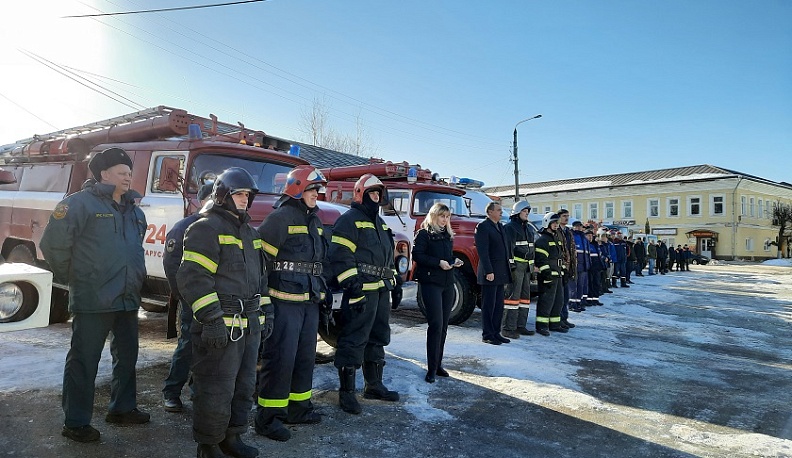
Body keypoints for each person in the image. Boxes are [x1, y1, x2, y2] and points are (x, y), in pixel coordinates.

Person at [40, 147, 150, 443]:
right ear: (104, 174)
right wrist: (75, 280)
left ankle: (122, 408)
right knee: (84, 360)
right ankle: (75, 422)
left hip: (127, 298)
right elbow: (53, 245)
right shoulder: (78, 204)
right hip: (94, 297)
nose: (129, 177)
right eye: (122, 172)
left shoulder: (135, 211)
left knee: (127, 357)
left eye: (130, 172)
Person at [176, 167, 273, 458]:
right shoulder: (205, 228)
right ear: (222, 196)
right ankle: (208, 445)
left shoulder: (250, 233)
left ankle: (232, 437)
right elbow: (193, 278)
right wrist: (212, 321)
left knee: (244, 386)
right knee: (215, 388)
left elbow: (261, 280)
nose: (244, 199)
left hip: (249, 326)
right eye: (238, 194)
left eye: (247, 195)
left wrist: (265, 316)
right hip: (221, 327)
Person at [254, 166, 329, 441]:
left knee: (305, 358)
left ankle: (298, 409)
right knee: (280, 360)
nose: (316, 194)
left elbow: (319, 261)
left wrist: (325, 290)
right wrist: (264, 302)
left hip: (309, 302)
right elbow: (260, 263)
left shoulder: (315, 221)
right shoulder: (280, 218)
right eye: (312, 189)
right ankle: (267, 418)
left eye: (317, 189)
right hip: (283, 303)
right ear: (297, 189)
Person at [329, 173, 399, 415]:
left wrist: (395, 281)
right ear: (361, 194)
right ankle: (346, 393)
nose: (377, 197)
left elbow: (387, 256)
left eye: (379, 193)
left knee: (378, 337)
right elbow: (339, 254)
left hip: (380, 292)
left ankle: (374, 385)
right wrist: (352, 285)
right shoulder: (348, 220)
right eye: (372, 193)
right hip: (359, 294)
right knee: (353, 339)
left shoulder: (381, 224)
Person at [162, 182, 214, 413]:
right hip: (192, 300)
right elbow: (172, 265)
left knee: (212, 349)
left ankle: (198, 392)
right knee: (188, 346)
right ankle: (171, 393)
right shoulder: (184, 227)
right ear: (201, 201)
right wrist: (185, 296)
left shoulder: (221, 227)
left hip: (216, 300)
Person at [412, 203, 461, 383]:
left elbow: (446, 257)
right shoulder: (424, 234)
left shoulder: (447, 235)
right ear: (434, 216)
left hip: (447, 283)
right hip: (431, 283)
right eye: (442, 216)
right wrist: (438, 262)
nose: (445, 220)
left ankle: (438, 364)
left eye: (447, 217)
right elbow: (417, 255)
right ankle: (431, 368)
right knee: (436, 325)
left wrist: (453, 261)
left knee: (444, 326)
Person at [474, 201, 512, 345]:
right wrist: (489, 270)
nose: (501, 212)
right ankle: (488, 334)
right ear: (490, 212)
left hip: (501, 272)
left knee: (498, 305)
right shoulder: (483, 227)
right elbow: (483, 251)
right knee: (489, 305)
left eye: (501, 210)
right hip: (490, 272)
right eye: (498, 210)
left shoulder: (500, 226)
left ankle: (496, 332)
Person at [501, 200, 537, 339]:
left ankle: (520, 326)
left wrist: (532, 268)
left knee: (525, 299)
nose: (527, 214)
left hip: (527, 268)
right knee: (512, 298)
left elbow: (532, 250)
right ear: (517, 212)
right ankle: (507, 328)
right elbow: (508, 248)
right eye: (524, 211)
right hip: (516, 267)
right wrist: (510, 266)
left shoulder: (528, 228)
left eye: (528, 212)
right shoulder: (510, 228)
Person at [534, 212, 565, 336]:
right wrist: (546, 274)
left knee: (558, 301)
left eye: (557, 223)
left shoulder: (555, 239)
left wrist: (564, 271)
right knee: (546, 301)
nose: (556, 225)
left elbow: (559, 257)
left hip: (557, 275)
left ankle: (554, 324)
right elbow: (541, 259)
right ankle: (542, 326)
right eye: (554, 223)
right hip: (548, 276)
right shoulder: (543, 240)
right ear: (547, 223)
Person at [569, 220, 590, 313]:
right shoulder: (572, 236)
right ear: (573, 227)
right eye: (576, 226)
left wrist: (588, 264)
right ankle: (572, 304)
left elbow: (587, 252)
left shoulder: (584, 238)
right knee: (573, 286)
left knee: (580, 285)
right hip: (575, 265)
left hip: (584, 265)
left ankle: (578, 303)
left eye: (580, 226)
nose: (578, 228)